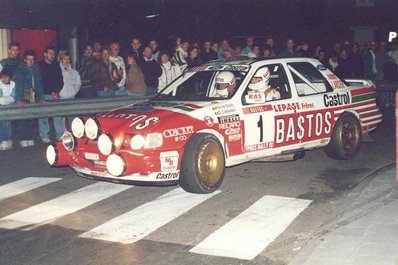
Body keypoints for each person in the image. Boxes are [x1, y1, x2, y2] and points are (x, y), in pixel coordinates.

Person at [14, 49, 46, 147]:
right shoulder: (20, 69)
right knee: (21, 117)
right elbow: (19, 85)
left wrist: (41, 97)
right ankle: (23, 138)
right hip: (22, 93)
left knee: (29, 116)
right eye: (28, 59)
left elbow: (39, 84)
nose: (30, 61)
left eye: (32, 59)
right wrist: (18, 99)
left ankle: (29, 137)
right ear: (24, 60)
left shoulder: (36, 68)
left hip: (31, 94)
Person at [38, 46, 64, 142]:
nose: (52, 55)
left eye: (53, 53)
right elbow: (38, 82)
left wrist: (57, 92)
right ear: (45, 54)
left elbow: (60, 81)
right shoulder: (39, 65)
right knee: (43, 116)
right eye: (50, 53)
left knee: (57, 115)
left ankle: (59, 134)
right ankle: (44, 135)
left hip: (55, 94)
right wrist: (40, 95)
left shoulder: (56, 65)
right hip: (44, 94)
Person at [59, 51, 81, 129]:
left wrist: (74, 91)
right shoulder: (58, 71)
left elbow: (78, 83)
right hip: (61, 96)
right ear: (61, 60)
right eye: (65, 59)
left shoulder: (74, 72)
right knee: (62, 117)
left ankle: (73, 132)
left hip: (71, 97)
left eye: (68, 59)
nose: (66, 61)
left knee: (72, 116)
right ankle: (64, 132)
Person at [0, 68, 16, 150]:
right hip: (1, 109)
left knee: (7, 123)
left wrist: (5, 100)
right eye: (2, 77)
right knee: (2, 123)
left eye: (6, 77)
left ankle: (8, 140)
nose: (4, 79)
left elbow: (14, 97)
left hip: (9, 109)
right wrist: (8, 100)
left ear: (10, 77)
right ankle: (3, 140)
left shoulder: (13, 84)